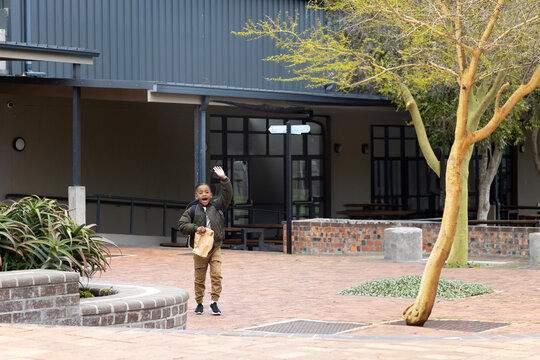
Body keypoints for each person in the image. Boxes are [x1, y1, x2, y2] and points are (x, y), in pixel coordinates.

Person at [178, 166, 233, 316]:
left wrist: (224, 179)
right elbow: (182, 225)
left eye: (207, 192)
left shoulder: (217, 205)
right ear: (196, 196)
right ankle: (199, 303)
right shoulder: (192, 209)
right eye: (201, 192)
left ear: (211, 195)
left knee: (216, 274)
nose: (204, 194)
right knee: (199, 276)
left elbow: (227, 195)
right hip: (200, 248)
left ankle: (214, 302)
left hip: (215, 246)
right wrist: (196, 228)